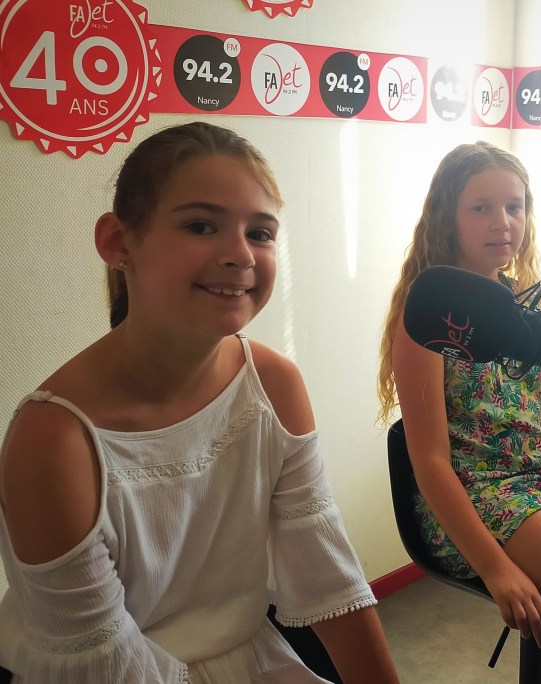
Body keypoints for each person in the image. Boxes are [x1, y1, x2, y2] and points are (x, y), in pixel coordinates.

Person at [0, 122, 399, 683]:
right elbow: (107, 664)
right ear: (118, 242)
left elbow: (327, 574)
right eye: (201, 225)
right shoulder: (55, 442)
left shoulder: (274, 385)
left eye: (260, 233)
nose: (240, 255)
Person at [376, 141, 541, 646]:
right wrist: (496, 569)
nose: (502, 222)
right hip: (475, 494)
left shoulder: (531, 304)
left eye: (513, 207)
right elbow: (431, 462)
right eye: (481, 208)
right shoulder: (428, 320)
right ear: (446, 218)